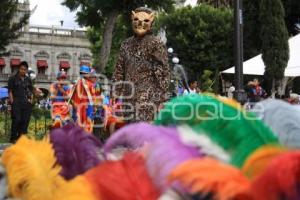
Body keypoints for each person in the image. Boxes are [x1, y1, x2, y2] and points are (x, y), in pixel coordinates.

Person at [112, 7, 170, 122]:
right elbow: (119, 71)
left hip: (149, 101)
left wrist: (162, 99)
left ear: (151, 21)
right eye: (137, 20)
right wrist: (115, 92)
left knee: (146, 135)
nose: (140, 23)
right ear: (132, 20)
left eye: (145, 21)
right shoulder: (126, 44)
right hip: (129, 100)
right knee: (131, 133)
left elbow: (163, 73)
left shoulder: (156, 44)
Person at [8, 61, 34, 143]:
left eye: (25, 69)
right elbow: (10, 91)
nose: (23, 71)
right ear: (19, 69)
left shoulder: (28, 79)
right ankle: (13, 138)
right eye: (22, 69)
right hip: (16, 102)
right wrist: (12, 102)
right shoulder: (12, 78)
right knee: (17, 120)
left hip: (27, 103)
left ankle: (21, 138)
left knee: (25, 121)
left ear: (26, 70)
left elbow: (31, 90)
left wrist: (31, 100)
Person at [71, 65, 97, 133]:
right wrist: (95, 107)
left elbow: (71, 96)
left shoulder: (76, 83)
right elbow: (93, 97)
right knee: (88, 125)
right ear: (87, 74)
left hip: (77, 106)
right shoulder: (91, 84)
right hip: (87, 107)